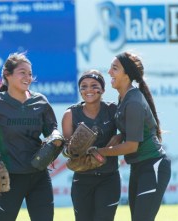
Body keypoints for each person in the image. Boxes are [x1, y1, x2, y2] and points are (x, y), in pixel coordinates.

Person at [0, 52, 62, 221]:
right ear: (7, 75)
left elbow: (53, 134)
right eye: (22, 72)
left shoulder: (40, 101)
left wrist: (56, 138)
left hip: (39, 176)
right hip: (8, 177)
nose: (28, 77)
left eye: (30, 73)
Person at [97, 51, 171, 221]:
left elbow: (131, 146)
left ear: (127, 74)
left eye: (114, 68)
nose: (109, 72)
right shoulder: (123, 99)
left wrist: (99, 151)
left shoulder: (133, 101)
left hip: (153, 165)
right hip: (139, 167)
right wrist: (118, 137)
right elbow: (127, 133)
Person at [62, 70, 122, 221]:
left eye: (94, 85)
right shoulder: (70, 114)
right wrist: (73, 150)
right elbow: (66, 150)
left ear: (102, 89)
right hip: (82, 179)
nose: (88, 90)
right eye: (84, 86)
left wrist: (118, 137)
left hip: (109, 177)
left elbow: (129, 133)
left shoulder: (113, 109)